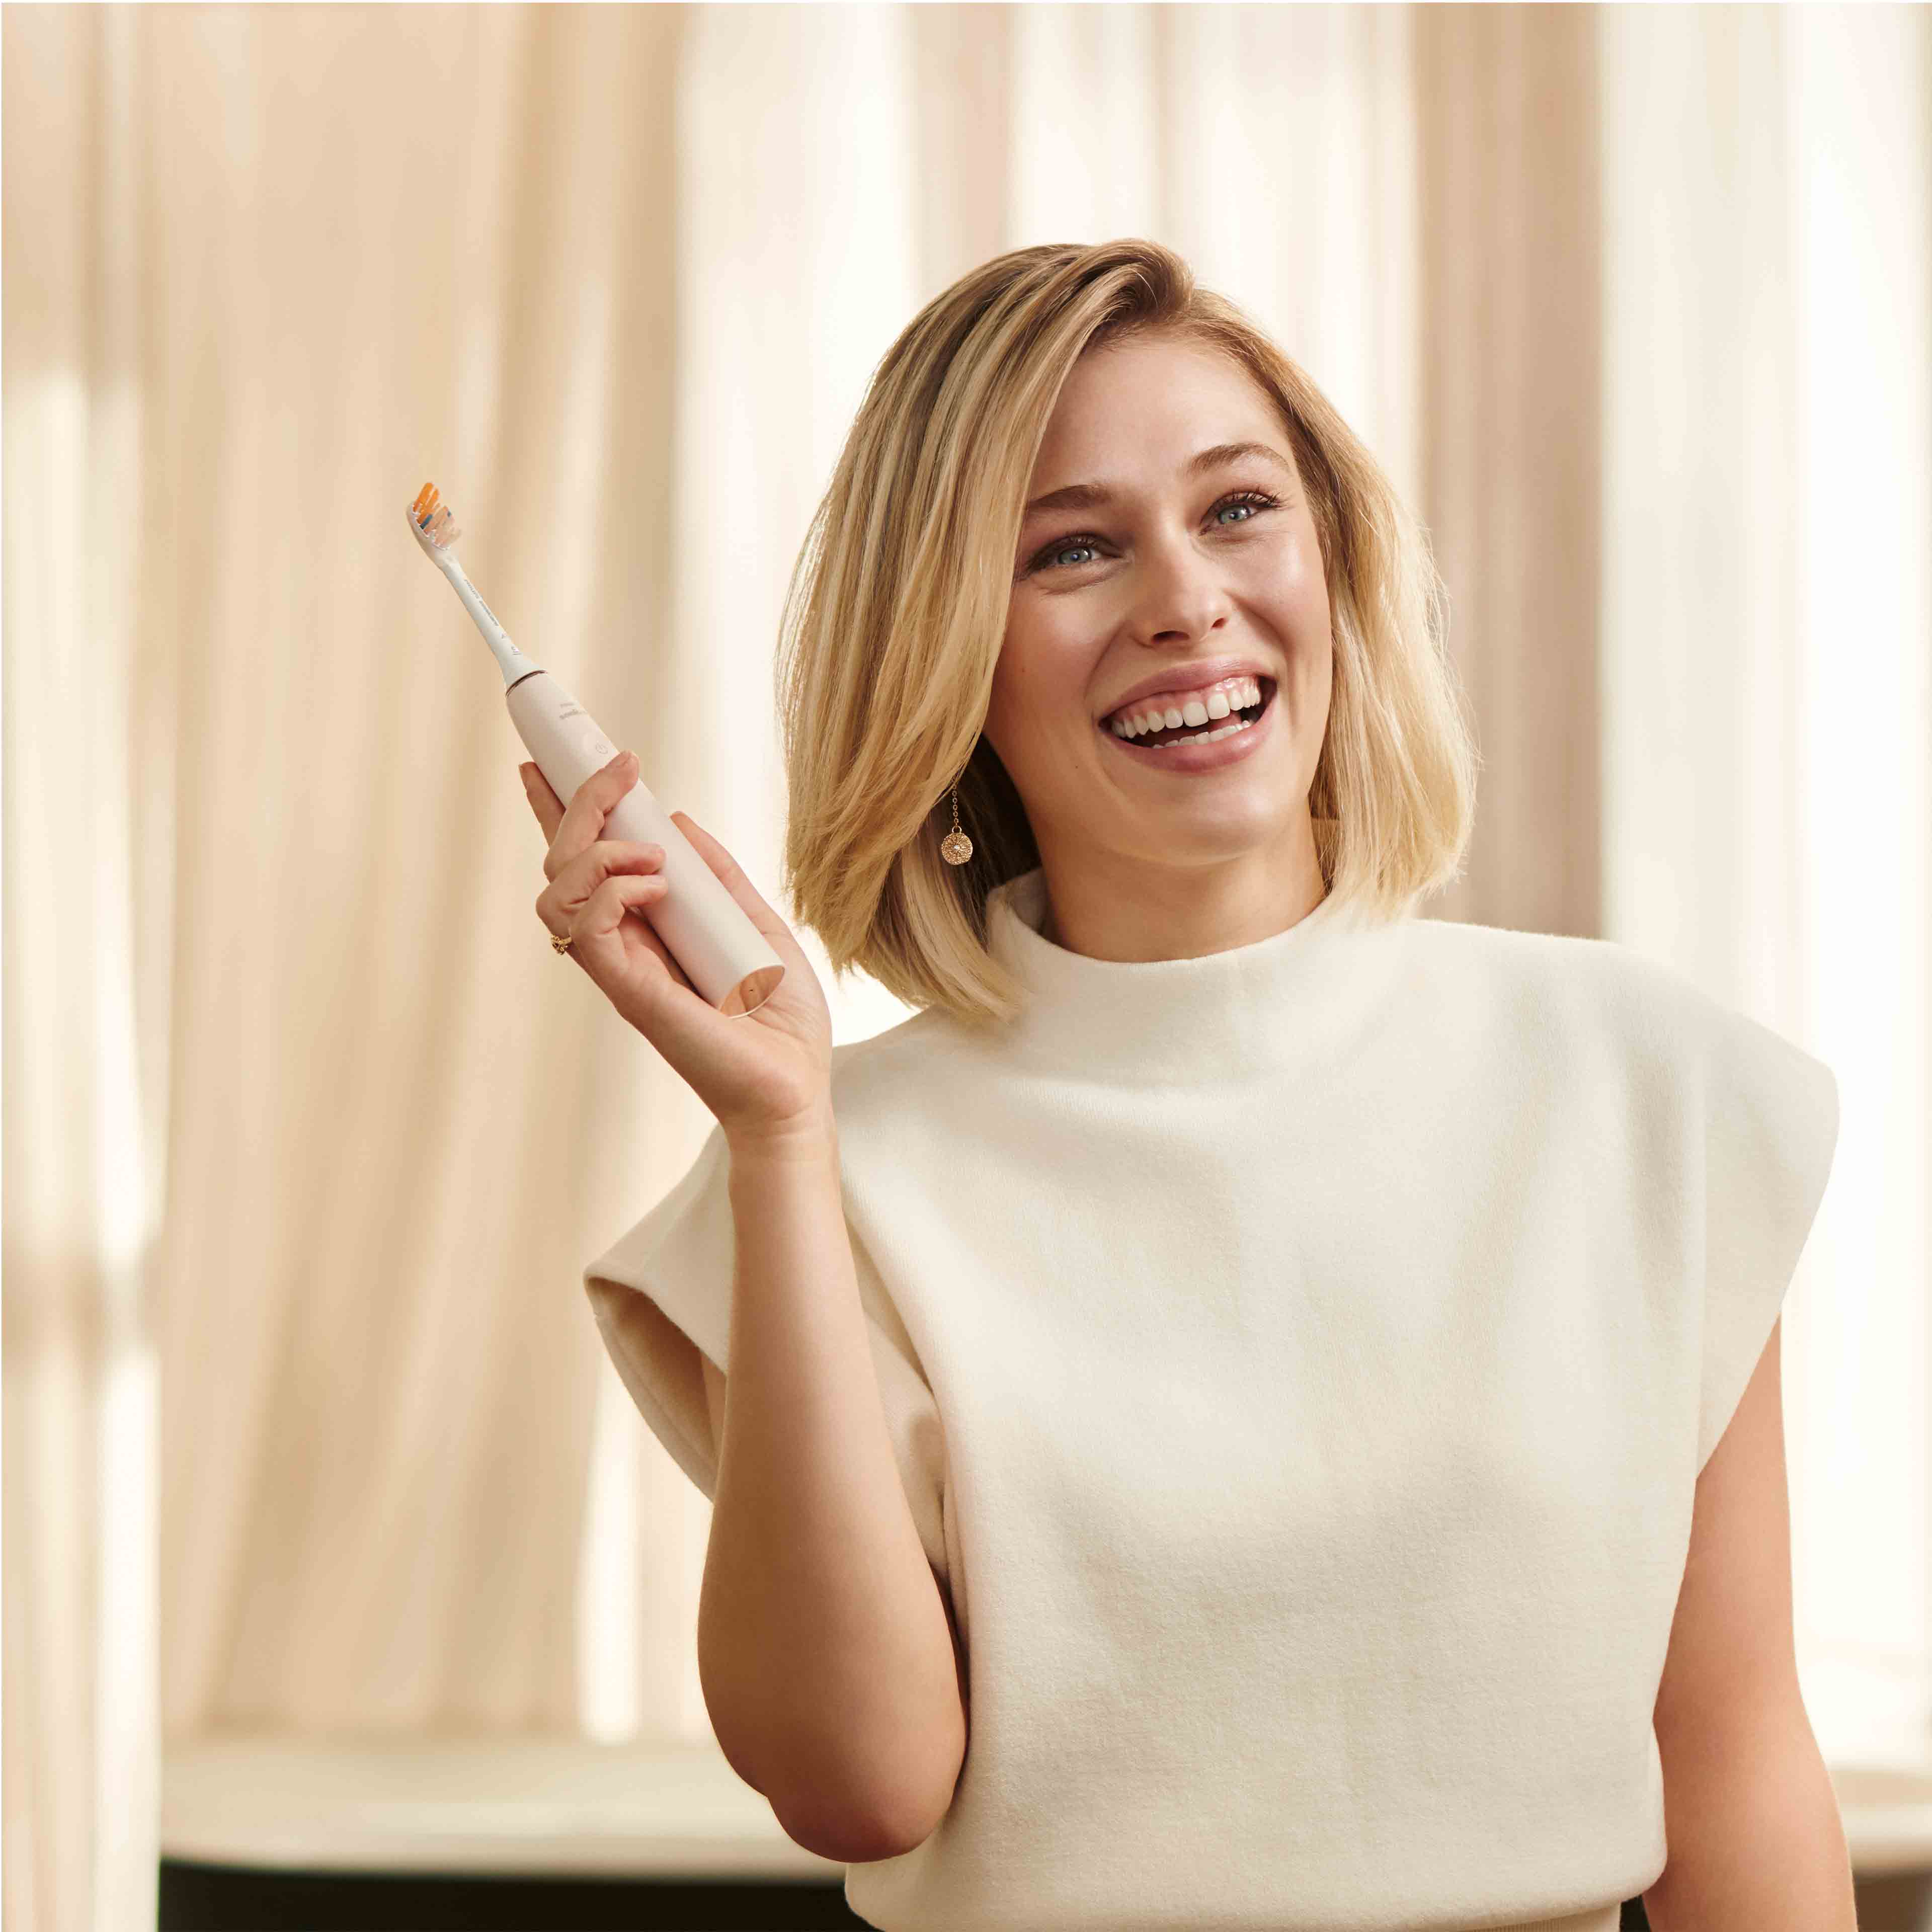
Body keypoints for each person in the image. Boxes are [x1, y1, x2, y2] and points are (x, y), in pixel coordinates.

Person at [522, 239, 1840, 1932]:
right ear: (949, 657)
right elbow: (854, 1780)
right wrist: (782, 1137)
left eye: (1237, 510)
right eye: (1074, 547)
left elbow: (1733, 1764)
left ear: (1336, 566)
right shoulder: (841, 1175)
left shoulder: (1645, 1093)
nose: (1183, 599)